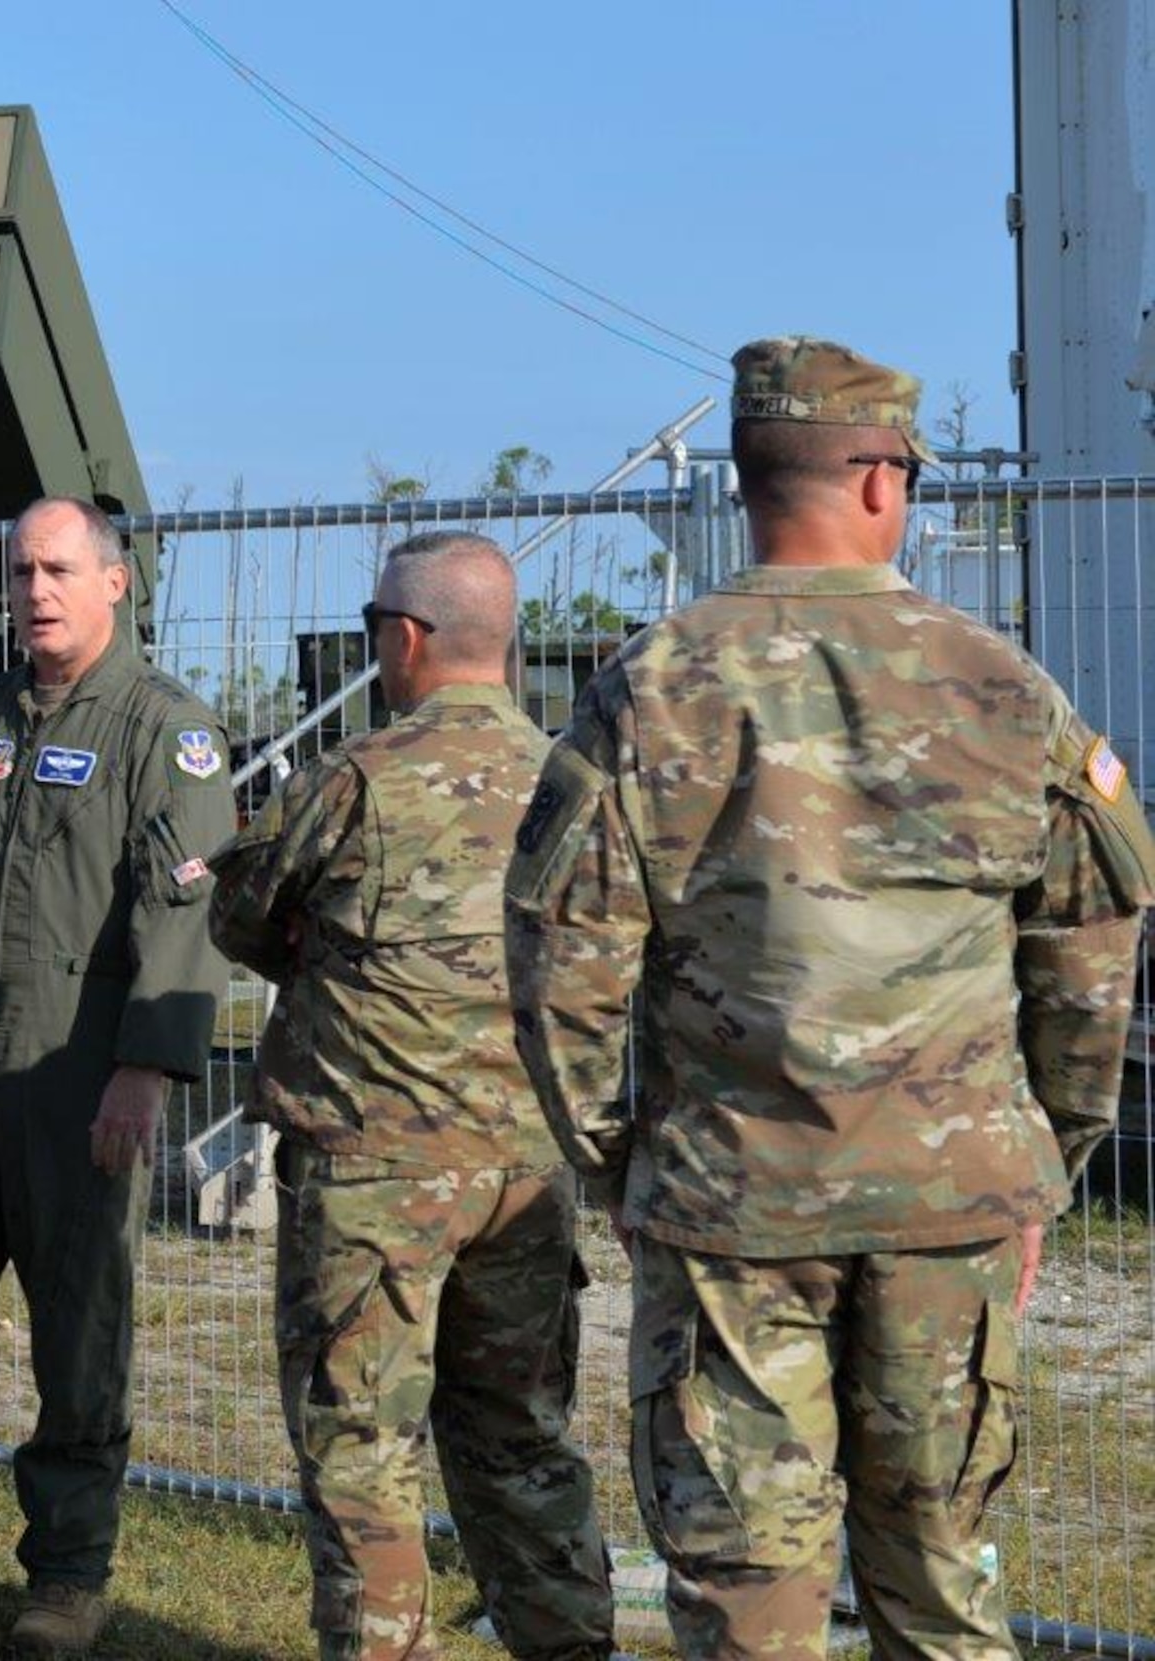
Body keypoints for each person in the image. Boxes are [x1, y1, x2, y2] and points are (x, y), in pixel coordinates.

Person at [505, 337, 1155, 1661]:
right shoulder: (1002, 686)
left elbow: (558, 956)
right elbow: (1092, 947)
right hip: (948, 1213)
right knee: (943, 1600)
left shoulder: (655, 683)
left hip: (731, 1212)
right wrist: (1041, 1164)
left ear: (750, 483)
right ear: (877, 480)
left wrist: (624, 1164)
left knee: (749, 1605)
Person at [208, 532, 615, 1661]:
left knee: (361, 1444)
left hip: (372, 1179)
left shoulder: (354, 780)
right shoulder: (573, 783)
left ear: (402, 636)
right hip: (526, 1173)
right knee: (520, 1434)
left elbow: (242, 915)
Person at [0, 496, 236, 1655]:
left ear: (115, 582)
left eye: (57, 568)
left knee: (77, 1334)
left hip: (78, 1072)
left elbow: (181, 913)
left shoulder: (166, 729)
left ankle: (63, 1576)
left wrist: (146, 1069)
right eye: (18, 570)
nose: (34, 590)